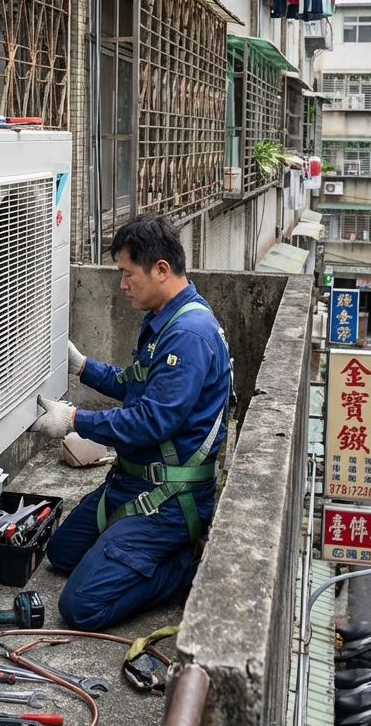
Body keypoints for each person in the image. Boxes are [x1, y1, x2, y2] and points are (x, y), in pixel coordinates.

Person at [28, 215, 231, 631]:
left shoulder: (188, 334)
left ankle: (181, 565)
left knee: (81, 607)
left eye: (127, 273)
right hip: (131, 482)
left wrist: (73, 420)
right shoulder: (164, 318)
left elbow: (151, 422)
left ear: (161, 269)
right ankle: (128, 553)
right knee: (62, 554)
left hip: (168, 498)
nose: (121, 284)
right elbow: (134, 385)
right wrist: (82, 367)